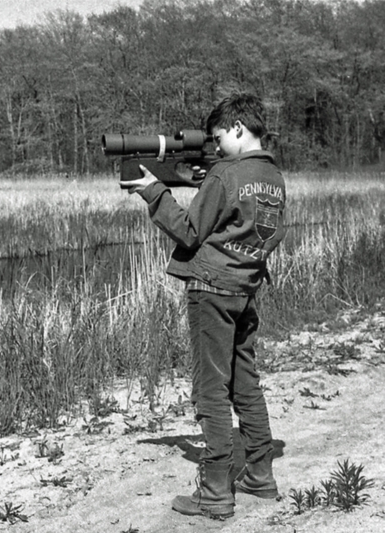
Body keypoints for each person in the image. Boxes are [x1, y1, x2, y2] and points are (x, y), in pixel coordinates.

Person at [120, 92, 286, 520]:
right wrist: (203, 180)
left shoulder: (224, 174)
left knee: (210, 388)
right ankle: (260, 474)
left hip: (210, 288)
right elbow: (241, 212)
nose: (214, 147)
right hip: (245, 287)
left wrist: (154, 192)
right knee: (244, 382)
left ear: (236, 129)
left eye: (218, 138)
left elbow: (190, 231)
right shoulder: (271, 174)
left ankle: (215, 491)